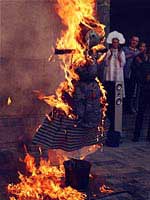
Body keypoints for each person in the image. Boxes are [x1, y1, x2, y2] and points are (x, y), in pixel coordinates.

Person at [104, 31, 126, 131]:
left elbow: (123, 63)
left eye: (117, 42)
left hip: (118, 80)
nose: (115, 44)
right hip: (109, 79)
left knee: (117, 103)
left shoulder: (122, 52)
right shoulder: (108, 51)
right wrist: (109, 55)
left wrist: (118, 56)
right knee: (109, 101)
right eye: (113, 42)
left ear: (119, 43)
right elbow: (105, 62)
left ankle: (117, 127)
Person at [132, 47, 150, 142]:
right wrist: (145, 79)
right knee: (140, 114)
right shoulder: (144, 65)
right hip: (144, 91)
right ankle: (136, 135)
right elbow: (138, 77)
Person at [123, 36, 140, 113]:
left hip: (134, 75)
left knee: (132, 92)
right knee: (124, 92)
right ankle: (123, 109)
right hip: (125, 74)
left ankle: (130, 108)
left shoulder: (139, 52)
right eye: (133, 40)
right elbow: (122, 58)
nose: (134, 42)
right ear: (130, 40)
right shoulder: (125, 49)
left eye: (136, 41)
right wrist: (133, 55)